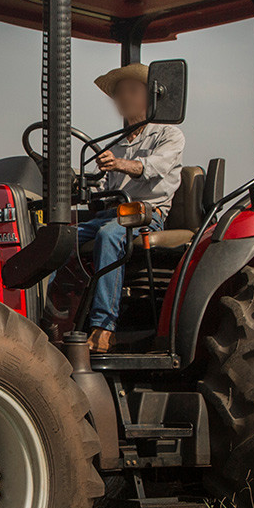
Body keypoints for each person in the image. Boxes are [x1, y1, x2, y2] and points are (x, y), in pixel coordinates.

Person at [79, 62, 185, 352]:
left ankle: (103, 327)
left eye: (131, 90)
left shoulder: (169, 135)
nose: (123, 98)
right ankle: (54, 315)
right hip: (113, 212)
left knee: (110, 235)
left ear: (149, 97)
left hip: (146, 214)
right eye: (118, 93)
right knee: (60, 238)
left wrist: (120, 164)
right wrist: (84, 184)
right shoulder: (113, 143)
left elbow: (152, 168)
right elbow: (105, 189)